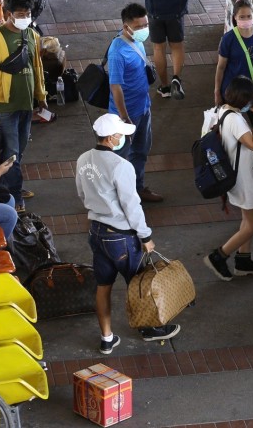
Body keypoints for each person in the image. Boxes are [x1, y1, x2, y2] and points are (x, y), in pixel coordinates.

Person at [76, 113, 180, 354]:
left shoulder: (83, 159)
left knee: (103, 286)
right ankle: (149, 329)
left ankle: (106, 338)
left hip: (97, 232)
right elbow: (132, 206)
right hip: (121, 237)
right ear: (112, 137)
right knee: (139, 283)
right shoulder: (121, 166)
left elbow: (82, 194)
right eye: (121, 135)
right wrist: (145, 236)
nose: (123, 138)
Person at [0, 0, 47, 212]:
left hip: (26, 103)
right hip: (5, 105)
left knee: (19, 149)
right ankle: (15, 196)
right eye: (20, 13)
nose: (24, 17)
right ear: (7, 13)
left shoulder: (32, 35)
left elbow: (37, 68)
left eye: (27, 13)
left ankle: (11, 183)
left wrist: (41, 95)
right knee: (11, 153)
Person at [202, 76, 253, 280]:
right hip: (243, 180)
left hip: (239, 175)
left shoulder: (225, 111)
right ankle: (219, 256)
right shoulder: (235, 118)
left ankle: (243, 260)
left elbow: (246, 138)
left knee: (247, 221)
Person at [107, 3, 163, 203]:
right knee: (119, 158)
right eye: (139, 27)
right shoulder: (117, 52)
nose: (144, 30)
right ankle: (117, 198)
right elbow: (116, 87)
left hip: (143, 109)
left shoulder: (136, 42)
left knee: (140, 151)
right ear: (126, 26)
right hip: (124, 116)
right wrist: (124, 117)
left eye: (145, 25)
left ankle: (137, 188)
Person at [215, 0, 253, 106]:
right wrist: (217, 92)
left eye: (249, 16)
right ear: (235, 17)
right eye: (242, 17)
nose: (246, 20)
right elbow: (221, 67)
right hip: (235, 92)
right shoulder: (228, 39)